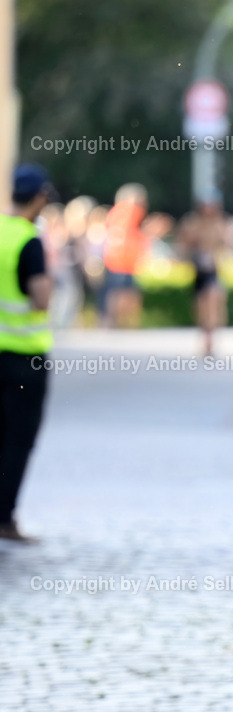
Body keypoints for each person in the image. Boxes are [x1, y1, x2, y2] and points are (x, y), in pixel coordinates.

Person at [0, 164, 56, 542]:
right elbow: (40, 299)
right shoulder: (29, 240)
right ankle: (4, 519)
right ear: (38, 198)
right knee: (17, 440)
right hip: (24, 360)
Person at [177, 189, 229, 357]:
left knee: (213, 302)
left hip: (213, 271)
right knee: (201, 308)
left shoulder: (221, 223)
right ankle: (205, 339)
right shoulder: (193, 223)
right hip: (198, 270)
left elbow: (228, 244)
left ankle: (210, 342)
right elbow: (183, 245)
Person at [102, 183, 149, 328]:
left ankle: (116, 323)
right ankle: (121, 324)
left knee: (119, 292)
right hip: (122, 261)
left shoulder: (115, 213)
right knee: (122, 293)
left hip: (120, 261)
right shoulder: (129, 211)